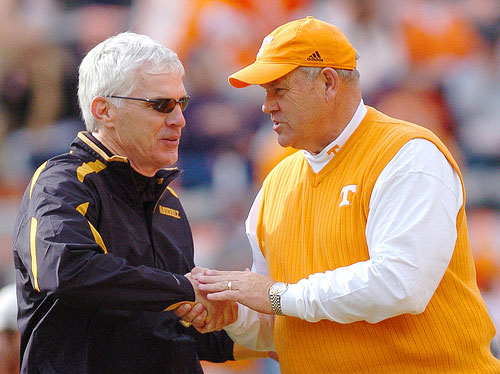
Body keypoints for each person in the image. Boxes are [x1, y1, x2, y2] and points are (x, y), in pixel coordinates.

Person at [187, 16, 500, 374]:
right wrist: (235, 317)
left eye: (278, 89)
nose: (266, 105)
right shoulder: (276, 183)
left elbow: (400, 285)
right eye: (265, 92)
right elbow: (286, 323)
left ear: (328, 82)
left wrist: (275, 296)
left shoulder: (407, 154)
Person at [12, 31, 240, 374]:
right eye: (161, 104)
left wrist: (258, 326)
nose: (179, 119)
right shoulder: (60, 183)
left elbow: (173, 328)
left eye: (183, 103)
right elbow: (66, 270)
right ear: (104, 110)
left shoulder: (169, 201)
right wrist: (184, 289)